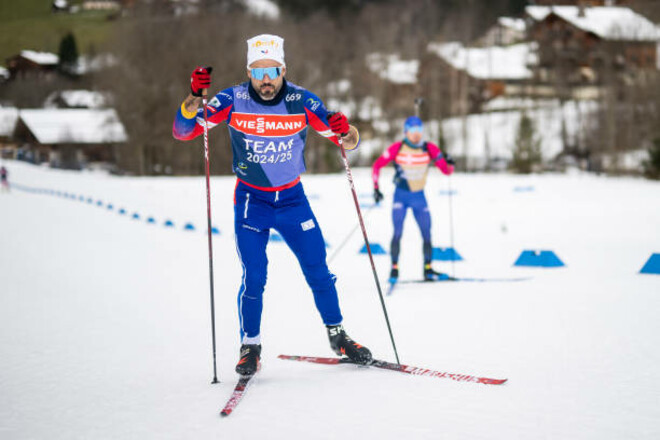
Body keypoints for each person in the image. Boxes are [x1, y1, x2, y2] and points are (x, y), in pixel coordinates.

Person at [172, 34, 372, 376]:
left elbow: (348, 142)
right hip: (252, 200)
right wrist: (192, 99)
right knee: (254, 276)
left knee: (319, 270)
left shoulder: (302, 102)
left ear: (284, 69)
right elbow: (183, 131)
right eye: (258, 71)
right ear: (248, 71)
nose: (266, 80)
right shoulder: (230, 100)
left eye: (273, 71)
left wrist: (346, 129)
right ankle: (250, 345)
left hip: (293, 199)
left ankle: (338, 335)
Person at [371, 116, 455, 283]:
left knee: (427, 233)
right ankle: (394, 269)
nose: (416, 134)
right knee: (397, 233)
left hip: (419, 197)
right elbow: (377, 166)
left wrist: (449, 162)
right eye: (412, 131)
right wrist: (376, 189)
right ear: (406, 132)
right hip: (400, 197)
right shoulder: (398, 148)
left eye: (419, 130)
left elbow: (446, 171)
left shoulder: (429, 148)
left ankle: (428, 269)